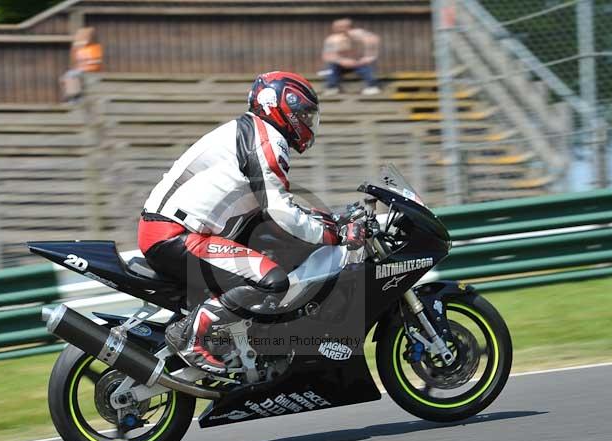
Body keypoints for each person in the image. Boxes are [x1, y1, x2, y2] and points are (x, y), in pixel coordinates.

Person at [137, 71, 366, 374]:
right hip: (178, 235)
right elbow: (281, 212)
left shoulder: (251, 132)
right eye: (303, 115)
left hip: (181, 230)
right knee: (272, 281)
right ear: (279, 107)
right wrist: (331, 234)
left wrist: (330, 220)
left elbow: (271, 207)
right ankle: (191, 337)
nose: (308, 124)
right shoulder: (266, 140)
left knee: (274, 253)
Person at [321, 18, 381, 96]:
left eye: (343, 27)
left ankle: (372, 86)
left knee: (368, 65)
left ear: (350, 27)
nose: (341, 29)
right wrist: (341, 61)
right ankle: (332, 87)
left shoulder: (360, 33)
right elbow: (326, 56)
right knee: (329, 67)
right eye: (338, 27)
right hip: (340, 65)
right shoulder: (331, 40)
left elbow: (375, 40)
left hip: (359, 62)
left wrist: (368, 57)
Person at [60, 27, 103, 103]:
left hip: (91, 69)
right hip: (81, 70)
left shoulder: (95, 48)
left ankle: (74, 98)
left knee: (71, 75)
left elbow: (96, 62)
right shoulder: (79, 49)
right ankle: (72, 97)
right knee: (65, 77)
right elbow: (75, 62)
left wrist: (84, 67)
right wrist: (75, 48)